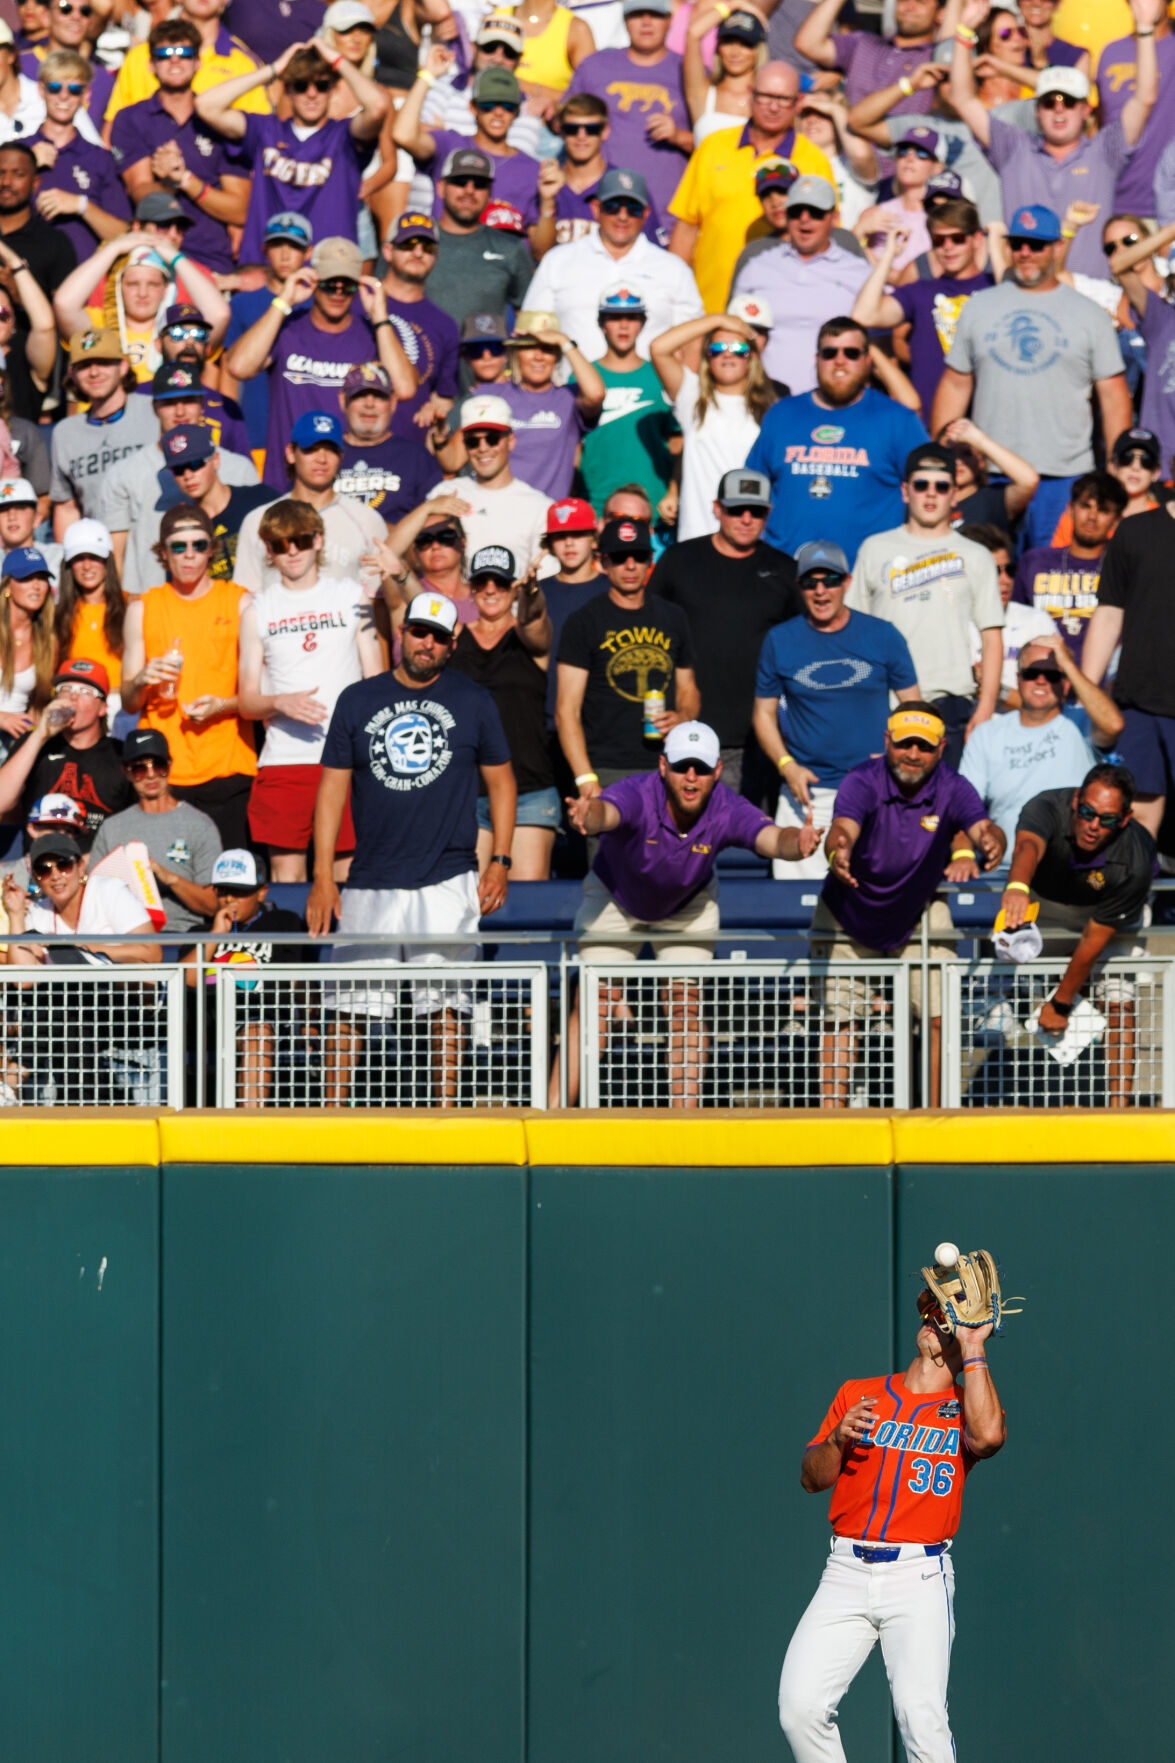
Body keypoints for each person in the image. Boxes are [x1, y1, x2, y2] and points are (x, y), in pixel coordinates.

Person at [778, 1278, 1006, 1763]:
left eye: (945, 1322)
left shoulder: (966, 1406)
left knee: (920, 1717)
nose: (933, 1324)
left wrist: (972, 1344)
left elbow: (987, 1438)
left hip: (918, 1575)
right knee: (800, 1708)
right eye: (932, 1316)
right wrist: (837, 1440)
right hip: (845, 1571)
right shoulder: (859, 1393)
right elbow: (810, 1479)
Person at [308, 590, 516, 1106]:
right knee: (348, 1005)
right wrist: (322, 875)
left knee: (446, 1005)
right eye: (419, 632)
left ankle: (445, 1114)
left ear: (454, 642)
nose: (427, 644)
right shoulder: (357, 699)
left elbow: (504, 783)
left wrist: (501, 861)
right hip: (369, 877)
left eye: (439, 638)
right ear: (401, 632)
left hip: (448, 875)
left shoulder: (474, 699)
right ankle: (334, 1118)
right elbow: (331, 789)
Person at [564, 717, 820, 1105]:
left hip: (687, 905)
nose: (690, 777)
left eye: (700, 768)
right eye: (682, 765)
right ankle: (555, 1110)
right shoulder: (637, 791)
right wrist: (588, 815)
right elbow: (606, 814)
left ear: (717, 771)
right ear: (663, 766)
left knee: (684, 1004)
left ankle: (685, 1115)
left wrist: (796, 842)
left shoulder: (727, 806)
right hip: (614, 898)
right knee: (594, 1004)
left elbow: (770, 837)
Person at [816, 702, 1005, 1104]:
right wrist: (839, 851)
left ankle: (935, 1115)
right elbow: (842, 828)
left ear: (941, 748)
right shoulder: (861, 780)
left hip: (916, 911)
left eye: (923, 746)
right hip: (847, 913)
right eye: (904, 744)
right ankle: (832, 1118)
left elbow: (984, 827)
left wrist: (991, 842)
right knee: (841, 1024)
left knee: (941, 1017)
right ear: (887, 742)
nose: (913, 755)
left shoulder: (954, 786)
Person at [930, 204, 1131, 551]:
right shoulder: (978, 306)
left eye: (1036, 245)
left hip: (1065, 477)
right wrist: (940, 460)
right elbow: (954, 383)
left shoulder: (1089, 314)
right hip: (990, 477)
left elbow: (1114, 398)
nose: (1025, 253)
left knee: (1051, 581)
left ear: (1055, 247)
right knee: (986, 580)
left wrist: (1114, 475)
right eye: (1017, 243)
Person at [948, 0, 1160, 282]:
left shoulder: (1105, 150)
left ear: (1086, 110)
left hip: (1092, 299)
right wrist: (963, 32)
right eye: (1049, 101)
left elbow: (1144, 97)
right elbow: (962, 98)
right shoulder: (1013, 148)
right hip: (1026, 292)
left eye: (1069, 101)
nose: (1059, 108)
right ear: (1036, 110)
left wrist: (1145, 28)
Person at [754, 539, 921, 880]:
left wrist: (897, 758)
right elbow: (762, 714)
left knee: (874, 900)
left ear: (846, 582)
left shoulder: (883, 635)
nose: (820, 591)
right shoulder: (779, 640)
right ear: (799, 586)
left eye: (829, 580)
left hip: (876, 793)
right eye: (810, 582)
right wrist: (787, 767)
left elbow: (915, 710)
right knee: (798, 915)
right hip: (807, 799)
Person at [239, 497, 384, 882]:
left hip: (347, 757)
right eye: (280, 544)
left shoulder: (354, 597)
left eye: (300, 540)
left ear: (318, 541)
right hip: (285, 761)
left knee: (348, 879)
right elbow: (247, 701)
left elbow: (377, 682)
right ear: (267, 550)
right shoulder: (257, 610)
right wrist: (279, 702)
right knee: (288, 882)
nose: (291, 551)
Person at [1000, 764, 1154, 1106]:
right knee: (1000, 983)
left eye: (1107, 819)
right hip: (1044, 903)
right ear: (1075, 801)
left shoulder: (1136, 860)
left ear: (1125, 819)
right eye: (1087, 812)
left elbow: (1092, 940)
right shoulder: (1045, 806)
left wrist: (1061, 1002)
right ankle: (1005, 1099)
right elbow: (1027, 846)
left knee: (1119, 997)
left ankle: (1119, 1108)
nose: (1093, 825)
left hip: (1109, 920)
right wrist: (1016, 886)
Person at [849, 441, 1005, 766]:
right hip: (884, 703)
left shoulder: (976, 555)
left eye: (941, 486)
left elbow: (992, 637)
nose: (931, 494)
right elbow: (853, 631)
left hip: (949, 703)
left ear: (955, 494)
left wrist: (986, 708)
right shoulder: (874, 548)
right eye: (921, 485)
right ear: (906, 491)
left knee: (942, 814)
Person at [649, 466, 799, 792]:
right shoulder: (678, 561)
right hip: (688, 737)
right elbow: (649, 638)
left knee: (753, 839)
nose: (746, 518)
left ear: (768, 514)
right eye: (736, 509)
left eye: (756, 511)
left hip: (761, 739)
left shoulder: (786, 571)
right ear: (717, 509)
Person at [224, 235, 415, 485]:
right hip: (286, 481)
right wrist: (283, 301)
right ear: (313, 280)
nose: (337, 293)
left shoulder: (371, 334)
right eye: (329, 283)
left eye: (346, 285)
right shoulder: (287, 327)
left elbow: (404, 388)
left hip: (347, 483)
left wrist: (380, 317)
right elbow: (238, 367)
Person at [121, 503, 257, 848]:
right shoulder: (142, 609)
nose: (189, 555)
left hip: (229, 766)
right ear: (163, 554)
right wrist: (140, 679)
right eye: (178, 547)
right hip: (163, 772)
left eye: (199, 545)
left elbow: (260, 696)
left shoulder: (239, 603)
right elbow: (128, 701)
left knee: (229, 886)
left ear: (212, 550)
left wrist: (222, 705)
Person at [746, 316, 929, 566]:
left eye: (851, 353)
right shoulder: (782, 414)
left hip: (868, 576)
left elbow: (930, 492)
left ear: (868, 360)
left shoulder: (898, 421)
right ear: (817, 359)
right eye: (830, 353)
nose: (840, 361)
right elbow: (753, 488)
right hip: (787, 572)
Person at [194, 37, 388, 266]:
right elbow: (205, 106)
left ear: (333, 90)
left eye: (322, 85)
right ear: (288, 90)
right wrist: (274, 69)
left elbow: (378, 107)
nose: (312, 93)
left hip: (325, 278)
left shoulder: (344, 136)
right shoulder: (265, 131)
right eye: (301, 85)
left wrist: (335, 59)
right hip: (263, 272)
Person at [667, 60, 834, 313]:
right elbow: (686, 228)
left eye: (783, 99)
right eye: (765, 96)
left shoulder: (814, 161)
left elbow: (827, 237)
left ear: (798, 103)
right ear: (750, 94)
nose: (773, 107)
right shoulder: (714, 147)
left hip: (782, 313)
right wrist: (676, 301)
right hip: (710, 306)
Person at [556, 513, 699, 797]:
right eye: (620, 557)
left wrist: (682, 715)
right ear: (603, 562)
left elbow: (689, 689)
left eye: (639, 555)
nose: (630, 565)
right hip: (607, 770)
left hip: (667, 765)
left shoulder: (673, 616)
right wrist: (586, 779)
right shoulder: (584, 621)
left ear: (650, 560)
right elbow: (566, 711)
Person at [958, 634, 1123, 863]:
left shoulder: (1082, 724)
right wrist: (963, 854)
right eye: (1031, 673)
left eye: (1053, 675)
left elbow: (1114, 725)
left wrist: (1068, 665)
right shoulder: (986, 734)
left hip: (1070, 868)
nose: (1041, 681)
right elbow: (965, 806)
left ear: (1066, 683)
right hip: (1004, 869)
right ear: (1018, 680)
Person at [98, 367, 262, 595]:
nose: (180, 411)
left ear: (203, 405)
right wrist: (126, 605)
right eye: (169, 402)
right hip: (153, 602)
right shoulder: (125, 473)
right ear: (154, 407)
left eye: (189, 400)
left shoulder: (239, 468)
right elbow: (115, 553)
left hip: (231, 603)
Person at [108, 18, 251, 279]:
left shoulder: (221, 122)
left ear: (198, 63)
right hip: (151, 256)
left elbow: (240, 210)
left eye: (185, 54)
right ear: (151, 65)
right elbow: (141, 193)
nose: (175, 61)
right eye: (164, 54)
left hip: (212, 259)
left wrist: (184, 178)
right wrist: (169, 183)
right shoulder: (130, 119)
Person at [449, 543, 559, 878]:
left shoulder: (529, 638)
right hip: (468, 790)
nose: (491, 590)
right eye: (483, 582)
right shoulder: (454, 637)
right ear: (472, 590)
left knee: (525, 907)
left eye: (500, 582)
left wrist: (531, 594)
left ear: (513, 588)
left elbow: (534, 621)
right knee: (470, 905)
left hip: (528, 787)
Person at [522, 165, 703, 363]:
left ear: (646, 213)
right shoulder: (558, 261)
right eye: (612, 207)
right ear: (595, 209)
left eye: (633, 209)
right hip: (573, 389)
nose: (622, 216)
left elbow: (692, 342)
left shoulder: (673, 268)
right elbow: (532, 333)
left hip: (654, 392)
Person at [180, 846, 311, 1106]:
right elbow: (186, 980)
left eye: (239, 892)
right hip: (207, 1020)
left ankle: (249, 1125)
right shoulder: (200, 931)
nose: (229, 899)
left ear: (261, 891)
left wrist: (310, 1018)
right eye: (223, 891)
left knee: (256, 1032)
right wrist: (217, 935)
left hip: (259, 1014)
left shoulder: (282, 922)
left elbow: (291, 978)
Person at [1082, 503, 1175, 842]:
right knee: (1138, 815)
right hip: (1140, 702)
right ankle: (1134, 896)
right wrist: (1087, 693)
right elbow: (1108, 613)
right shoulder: (1135, 531)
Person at [851, 199, 993, 419]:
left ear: (976, 240)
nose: (947, 247)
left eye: (957, 238)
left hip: (987, 425)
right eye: (938, 240)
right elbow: (864, 315)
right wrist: (889, 255)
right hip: (930, 427)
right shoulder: (919, 292)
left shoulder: (996, 288)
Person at [731, 173, 870, 396]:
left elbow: (878, 344)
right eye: (796, 212)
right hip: (765, 400)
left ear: (833, 218)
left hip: (837, 401)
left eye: (815, 212)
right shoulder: (756, 267)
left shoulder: (860, 273)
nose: (804, 219)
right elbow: (732, 336)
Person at [233, 409, 389, 595]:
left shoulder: (367, 520)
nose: (321, 459)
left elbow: (377, 598)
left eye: (330, 450)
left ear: (341, 457)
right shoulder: (258, 520)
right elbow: (245, 595)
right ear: (291, 453)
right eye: (310, 449)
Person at [650, 308, 771, 543]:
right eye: (717, 349)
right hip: (697, 533)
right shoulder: (692, 397)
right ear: (708, 357)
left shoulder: (770, 409)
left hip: (750, 535)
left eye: (737, 349)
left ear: (752, 357)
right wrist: (719, 319)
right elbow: (659, 348)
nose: (727, 355)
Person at [88, 726, 222, 937]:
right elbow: (92, 896)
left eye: (158, 766)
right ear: (127, 773)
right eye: (140, 769)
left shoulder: (200, 825)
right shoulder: (112, 828)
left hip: (183, 935)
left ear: (169, 766)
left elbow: (212, 905)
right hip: (124, 937)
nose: (150, 776)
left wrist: (170, 879)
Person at [564, 0, 692, 216]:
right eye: (637, 14)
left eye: (655, 14)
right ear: (625, 21)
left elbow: (715, 147)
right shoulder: (595, 66)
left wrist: (678, 136)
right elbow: (564, 124)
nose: (646, 22)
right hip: (600, 210)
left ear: (670, 21)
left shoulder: (689, 71)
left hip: (666, 215)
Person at [0, 656, 134, 843]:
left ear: (103, 708)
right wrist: (40, 734)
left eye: (85, 691)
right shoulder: (35, 744)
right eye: (65, 689)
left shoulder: (120, 754)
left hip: (98, 866)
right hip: (41, 864)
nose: (73, 696)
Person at [477, 308, 604, 500]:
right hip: (496, 512)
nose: (539, 356)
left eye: (548, 348)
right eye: (530, 347)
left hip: (549, 520)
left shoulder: (568, 398)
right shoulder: (490, 395)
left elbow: (596, 394)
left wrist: (564, 342)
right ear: (516, 352)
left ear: (558, 356)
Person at [394, 52, 541, 218]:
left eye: (507, 106)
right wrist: (427, 76)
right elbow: (403, 135)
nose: (498, 113)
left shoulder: (531, 169)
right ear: (472, 107)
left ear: (517, 112)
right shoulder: (450, 145)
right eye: (489, 105)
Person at [1010, 470, 1126, 672]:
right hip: (1038, 678)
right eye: (1085, 506)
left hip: (1100, 683)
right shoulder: (1035, 561)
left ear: (1116, 521)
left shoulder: (1124, 570)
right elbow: (1014, 622)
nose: (1092, 517)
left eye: (1103, 510)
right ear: (1070, 508)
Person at [577, 280, 677, 514]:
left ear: (642, 324)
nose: (624, 326)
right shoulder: (582, 376)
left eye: (632, 317)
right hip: (596, 507)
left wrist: (673, 492)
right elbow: (574, 448)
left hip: (653, 506)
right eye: (614, 317)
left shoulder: (661, 375)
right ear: (601, 324)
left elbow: (676, 442)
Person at [49, 328, 161, 535]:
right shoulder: (65, 433)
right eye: (84, 366)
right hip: (100, 554)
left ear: (124, 366)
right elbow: (67, 508)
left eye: (103, 362)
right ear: (72, 374)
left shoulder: (155, 411)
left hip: (155, 543)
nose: (94, 372)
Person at [221, 210, 313, 453]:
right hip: (256, 437)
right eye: (276, 245)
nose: (284, 254)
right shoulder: (242, 303)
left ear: (308, 253)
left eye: (294, 246)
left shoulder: (317, 305)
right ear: (264, 250)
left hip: (308, 439)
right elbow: (228, 376)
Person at [423, 393, 550, 570]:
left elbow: (542, 576)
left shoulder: (540, 507)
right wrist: (428, 508)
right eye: (473, 441)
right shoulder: (443, 493)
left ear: (511, 441)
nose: (483, 448)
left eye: (492, 439)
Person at [27, 50, 131, 259]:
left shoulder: (100, 159)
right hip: (27, 280)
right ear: (41, 90)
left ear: (86, 95)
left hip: (85, 283)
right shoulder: (18, 151)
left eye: (74, 89)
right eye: (55, 87)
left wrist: (81, 205)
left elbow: (122, 234)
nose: (64, 96)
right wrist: (27, 165)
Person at [421, 146, 535, 332]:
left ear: (490, 193)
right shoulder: (414, 242)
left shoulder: (510, 248)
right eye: (460, 181)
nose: (469, 190)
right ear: (441, 188)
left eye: (480, 184)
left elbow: (528, 314)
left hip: (485, 358)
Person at [377, 210, 461, 439]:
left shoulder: (445, 325)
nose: (418, 252)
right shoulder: (359, 303)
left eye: (427, 247)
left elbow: (444, 398)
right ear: (387, 251)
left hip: (410, 452)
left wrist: (436, 409)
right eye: (407, 244)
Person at [794, 0, 946, 117]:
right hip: (848, 151)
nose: (909, 7)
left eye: (921, 1)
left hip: (907, 154)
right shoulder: (863, 42)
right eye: (903, 0)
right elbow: (808, 44)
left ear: (940, 14)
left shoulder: (938, 58)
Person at [335, 360, 443, 520]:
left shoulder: (415, 456)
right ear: (344, 401)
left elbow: (438, 517)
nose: (369, 404)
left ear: (393, 402)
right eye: (360, 394)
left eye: (379, 396)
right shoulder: (325, 454)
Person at [53, 520, 130, 732]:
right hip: (77, 708)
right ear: (68, 566)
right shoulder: (59, 613)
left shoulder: (131, 605)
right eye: (79, 559)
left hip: (122, 707)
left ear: (107, 562)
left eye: (94, 557)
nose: (87, 566)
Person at [683, 3, 768, 143]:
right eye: (728, 42)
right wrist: (734, 4)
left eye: (745, 44)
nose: (735, 52)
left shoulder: (768, 102)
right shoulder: (703, 94)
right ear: (718, 47)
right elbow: (693, 34)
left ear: (758, 50)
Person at [0, 541, 51, 759]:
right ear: (8, 587)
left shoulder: (48, 640)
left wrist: (34, 724)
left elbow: (39, 703)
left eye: (41, 578)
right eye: (26, 578)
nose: (36, 585)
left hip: (15, 743)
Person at [1109, 424, 1164, 520]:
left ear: (1156, 472)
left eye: (1146, 461)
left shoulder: (1163, 519)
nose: (1136, 467)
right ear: (1112, 466)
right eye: (1127, 458)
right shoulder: (1094, 514)